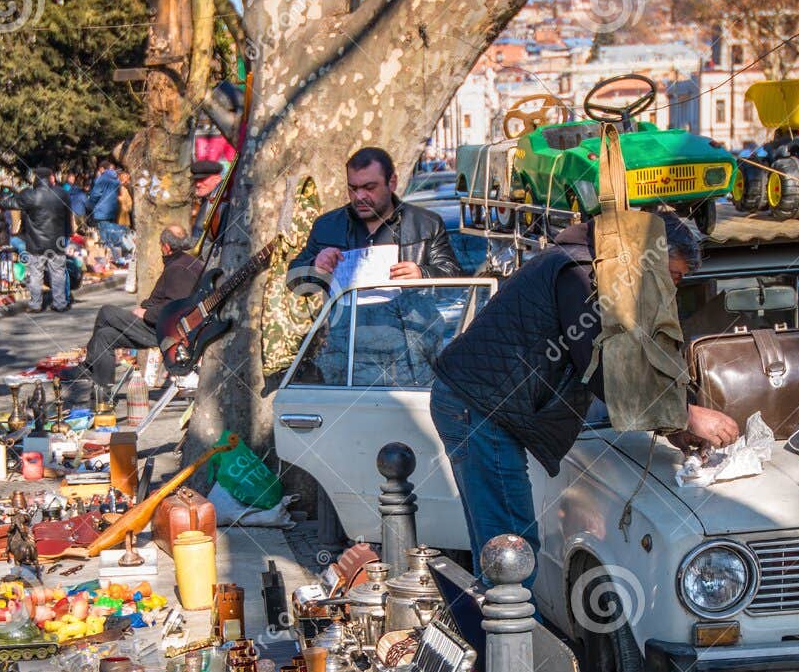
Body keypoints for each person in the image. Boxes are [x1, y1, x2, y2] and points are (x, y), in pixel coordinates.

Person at [430, 214, 738, 586]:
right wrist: (685, 415)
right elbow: (608, 367)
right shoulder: (579, 272)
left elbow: (634, 354)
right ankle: (510, 644)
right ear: (649, 258)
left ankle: (496, 638)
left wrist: (673, 420)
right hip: (478, 409)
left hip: (477, 405)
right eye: (673, 275)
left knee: (502, 550)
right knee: (511, 554)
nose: (674, 288)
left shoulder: (592, 267)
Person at [286, 146, 462, 297]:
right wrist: (315, 266)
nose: (360, 196)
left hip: (410, 333)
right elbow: (294, 281)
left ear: (391, 182)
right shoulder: (327, 226)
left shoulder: (426, 224)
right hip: (348, 334)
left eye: (369, 188)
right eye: (353, 188)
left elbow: (455, 279)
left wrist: (422, 275)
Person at [79, 223, 203, 391]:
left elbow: (175, 309)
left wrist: (146, 313)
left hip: (167, 331)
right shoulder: (184, 262)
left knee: (107, 312)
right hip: (163, 324)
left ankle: (89, 363)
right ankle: (103, 396)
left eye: (160, 245)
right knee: (104, 335)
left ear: (166, 247)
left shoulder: (179, 269)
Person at [1, 165, 74, 316]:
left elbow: (10, 203)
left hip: (36, 243)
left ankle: (35, 304)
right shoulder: (62, 194)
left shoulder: (29, 195)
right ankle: (60, 303)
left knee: (35, 274)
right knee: (58, 273)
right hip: (57, 242)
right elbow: (68, 218)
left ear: (36, 179)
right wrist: (68, 235)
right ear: (51, 178)